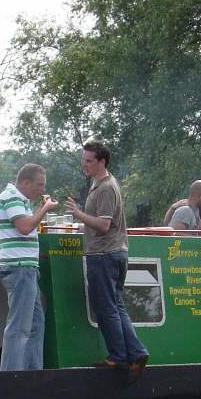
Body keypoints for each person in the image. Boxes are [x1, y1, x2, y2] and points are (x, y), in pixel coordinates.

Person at [66, 139, 149, 381]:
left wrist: (78, 214)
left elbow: (103, 225)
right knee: (116, 306)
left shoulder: (105, 188)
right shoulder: (101, 183)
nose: (84, 165)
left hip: (104, 255)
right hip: (114, 252)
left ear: (102, 161)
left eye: (89, 161)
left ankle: (118, 356)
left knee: (106, 308)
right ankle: (136, 352)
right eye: (83, 160)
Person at [0, 164, 58, 371]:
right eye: (39, 185)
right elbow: (25, 227)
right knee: (19, 327)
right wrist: (44, 209)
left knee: (36, 325)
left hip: (27, 268)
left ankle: (32, 372)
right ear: (25, 182)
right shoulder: (12, 197)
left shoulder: (21, 201)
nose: (42, 189)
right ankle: (11, 376)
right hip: (19, 268)